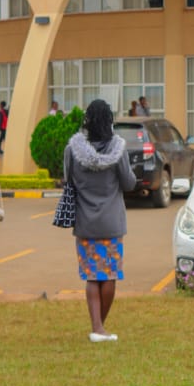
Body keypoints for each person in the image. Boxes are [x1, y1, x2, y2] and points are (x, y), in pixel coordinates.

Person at [63, 98, 136, 342]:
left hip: (85, 221)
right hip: (112, 221)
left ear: (87, 120)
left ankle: (97, 327)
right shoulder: (119, 150)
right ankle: (99, 328)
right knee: (110, 275)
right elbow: (128, 183)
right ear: (110, 121)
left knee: (92, 276)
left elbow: (68, 181)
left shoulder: (72, 150)